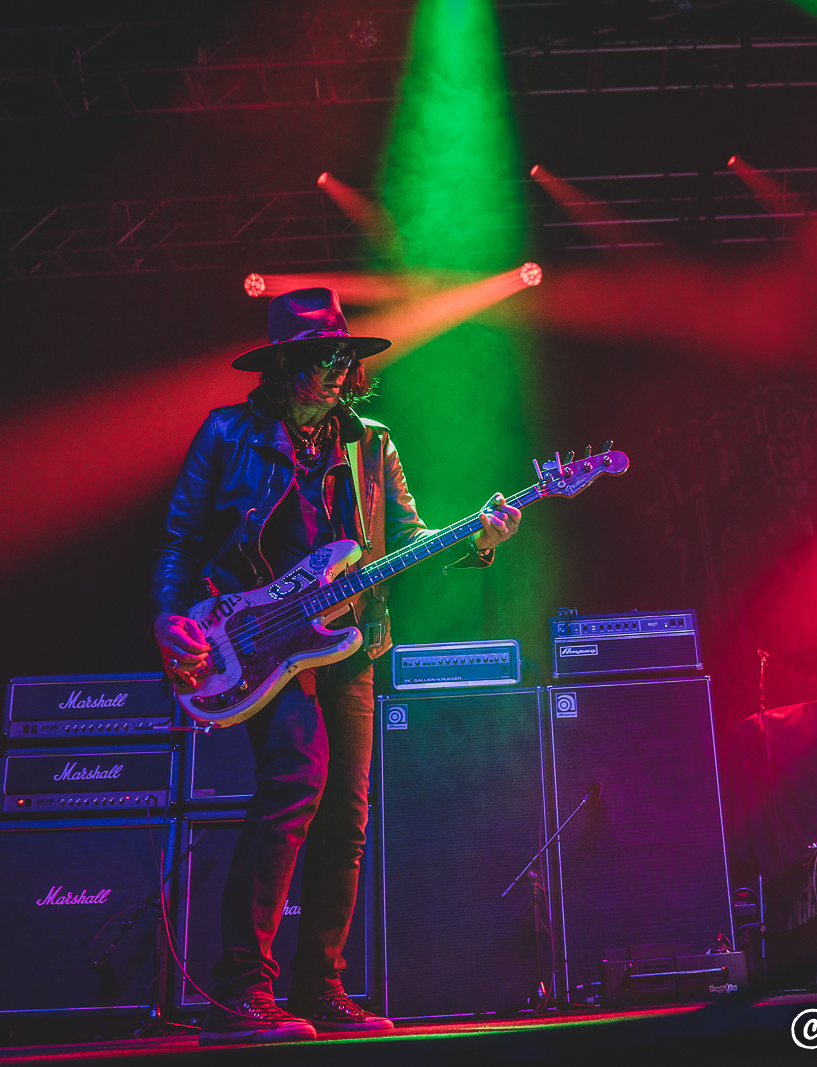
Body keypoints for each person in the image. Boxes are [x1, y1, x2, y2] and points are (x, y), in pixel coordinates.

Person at [151, 288, 520, 1045]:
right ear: (287, 363)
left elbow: (414, 543)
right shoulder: (229, 433)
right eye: (322, 356)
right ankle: (238, 991)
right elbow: (181, 538)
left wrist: (479, 540)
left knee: (346, 818)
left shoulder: (371, 443)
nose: (337, 368)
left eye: (344, 356)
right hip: (255, 638)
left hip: (351, 639)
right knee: (294, 781)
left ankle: (320, 987)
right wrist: (169, 615)